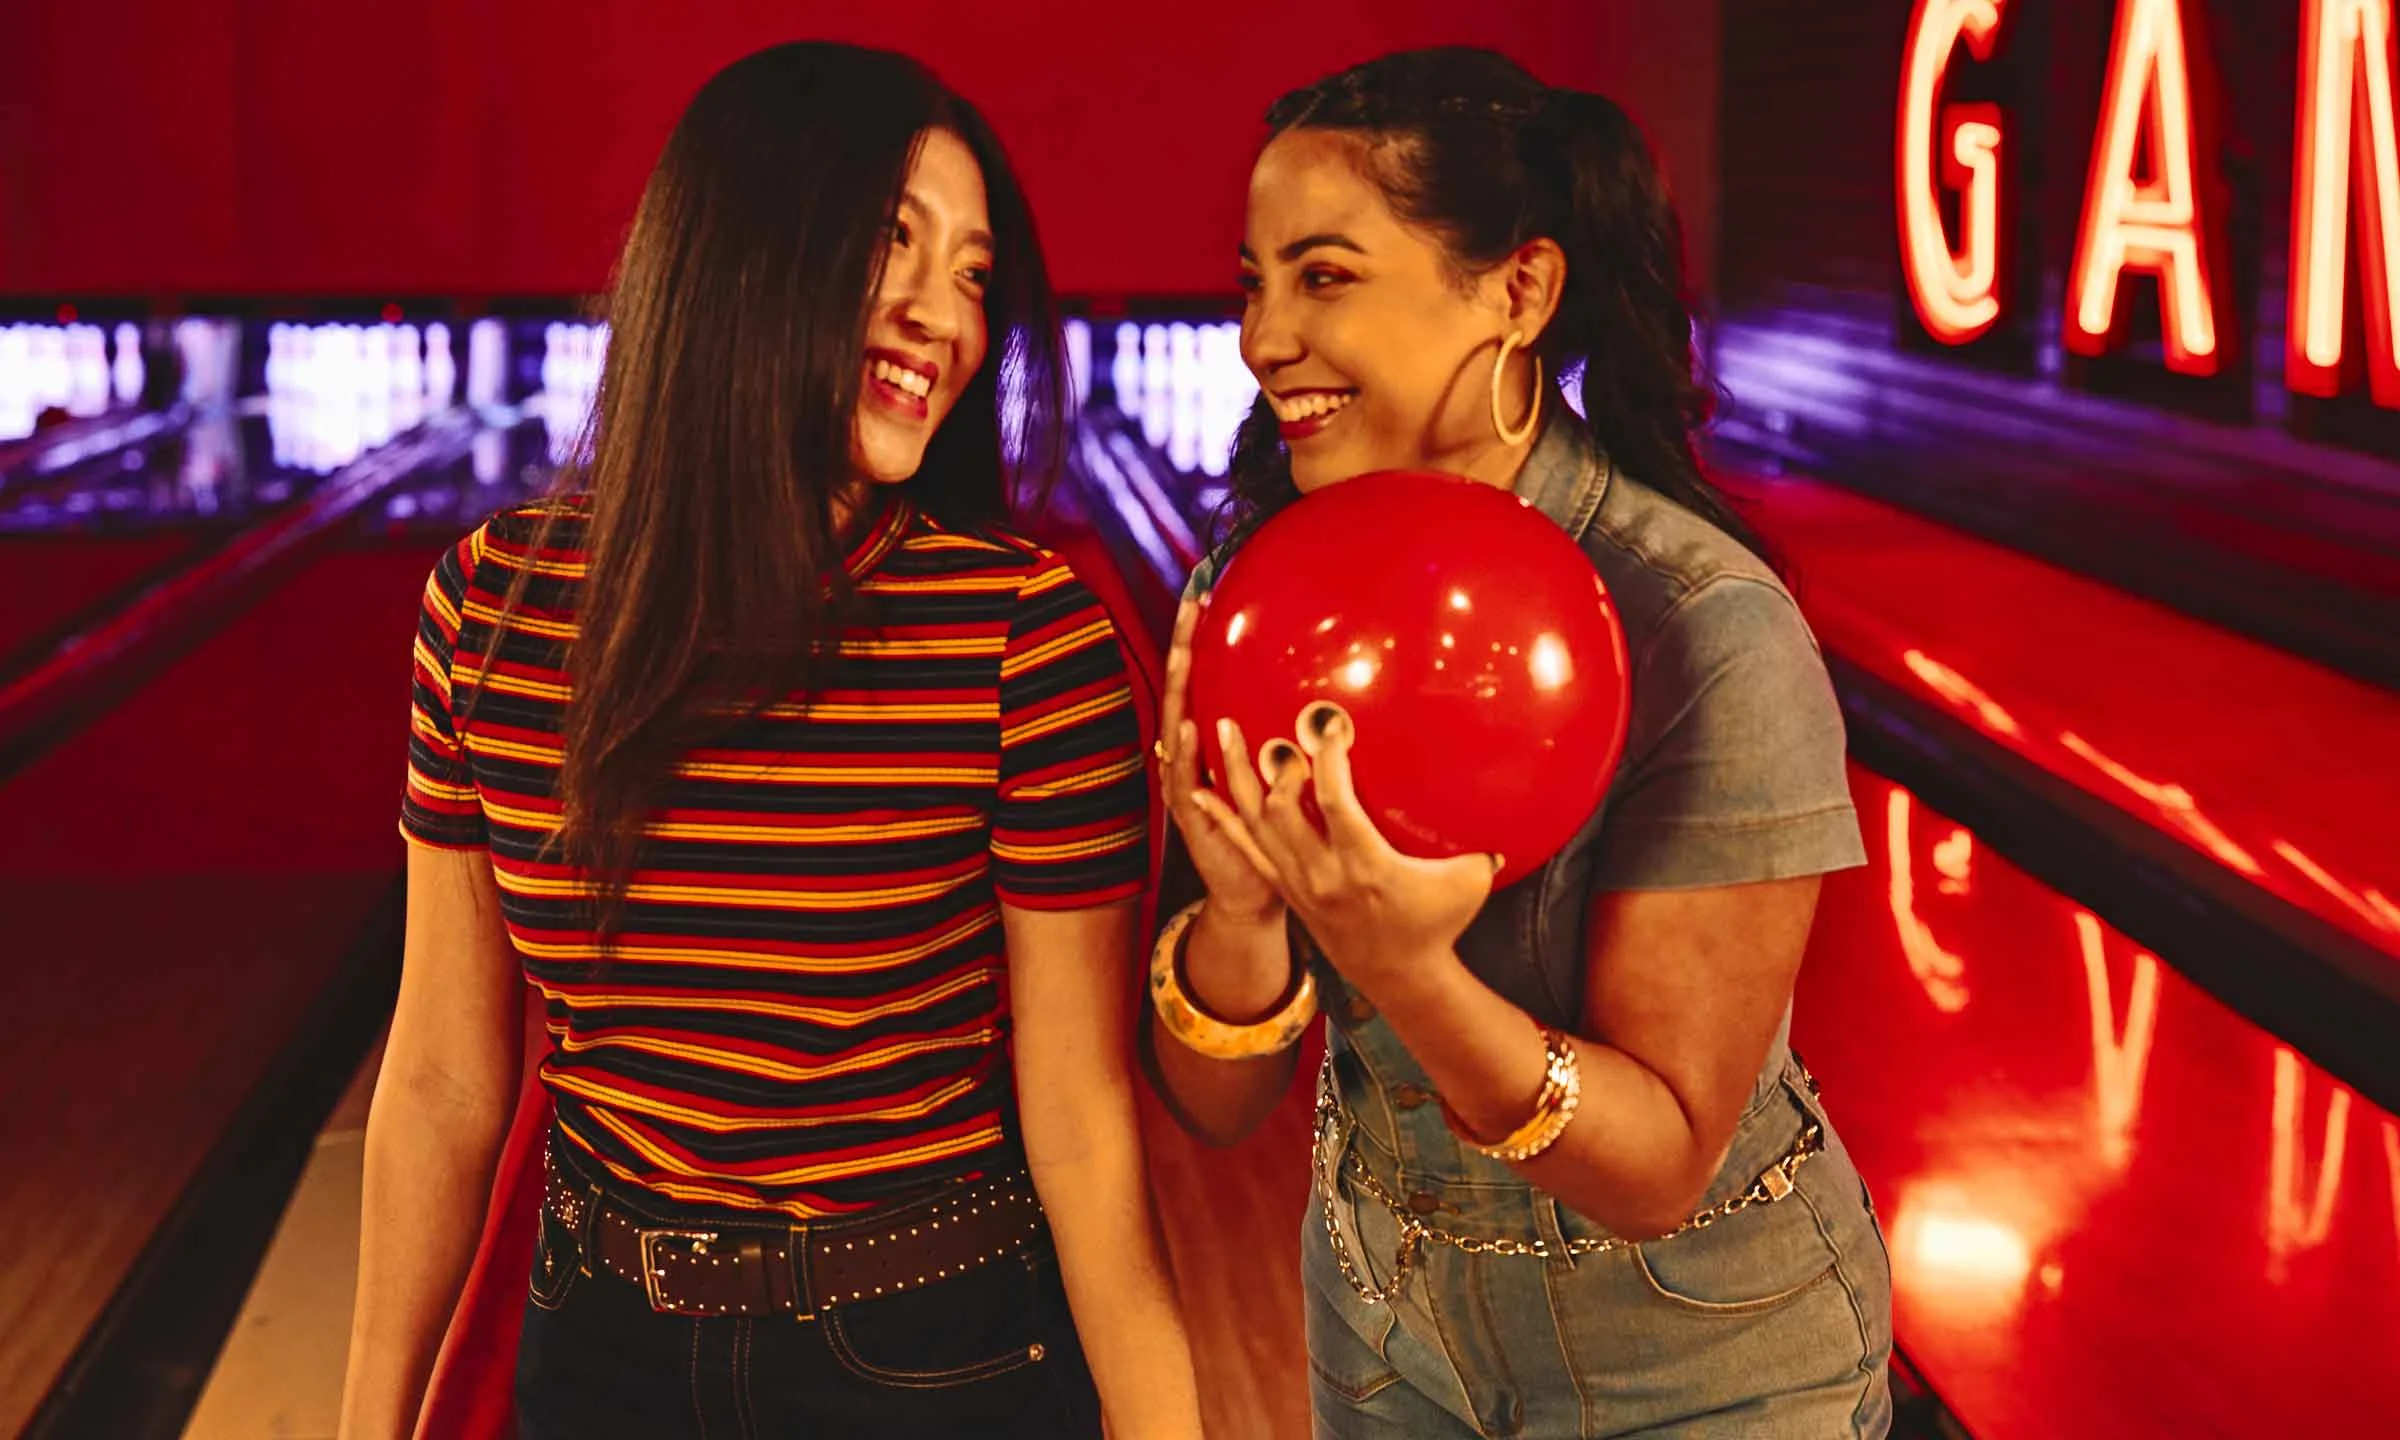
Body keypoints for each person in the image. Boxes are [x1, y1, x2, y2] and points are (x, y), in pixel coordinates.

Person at [340, 42, 1203, 1440]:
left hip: (926, 1356)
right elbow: (440, 1072)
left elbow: (1084, 1117)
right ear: (742, 250)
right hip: (600, 1343)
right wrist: (367, 1423)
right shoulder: (493, 605)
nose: (948, 318)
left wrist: (1166, 1422)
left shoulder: (1023, 639)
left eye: (975, 274)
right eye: (893, 244)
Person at [1144, 48, 1894, 1438]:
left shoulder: (1705, 628)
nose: (1260, 338)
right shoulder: (1249, 603)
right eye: (1255, 282)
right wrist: (1242, 924)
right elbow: (1218, 1107)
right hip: (1382, 1323)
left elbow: (1659, 1167)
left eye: (1323, 276)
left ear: (1519, 291)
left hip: (1703, 1365)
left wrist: (1400, 967)